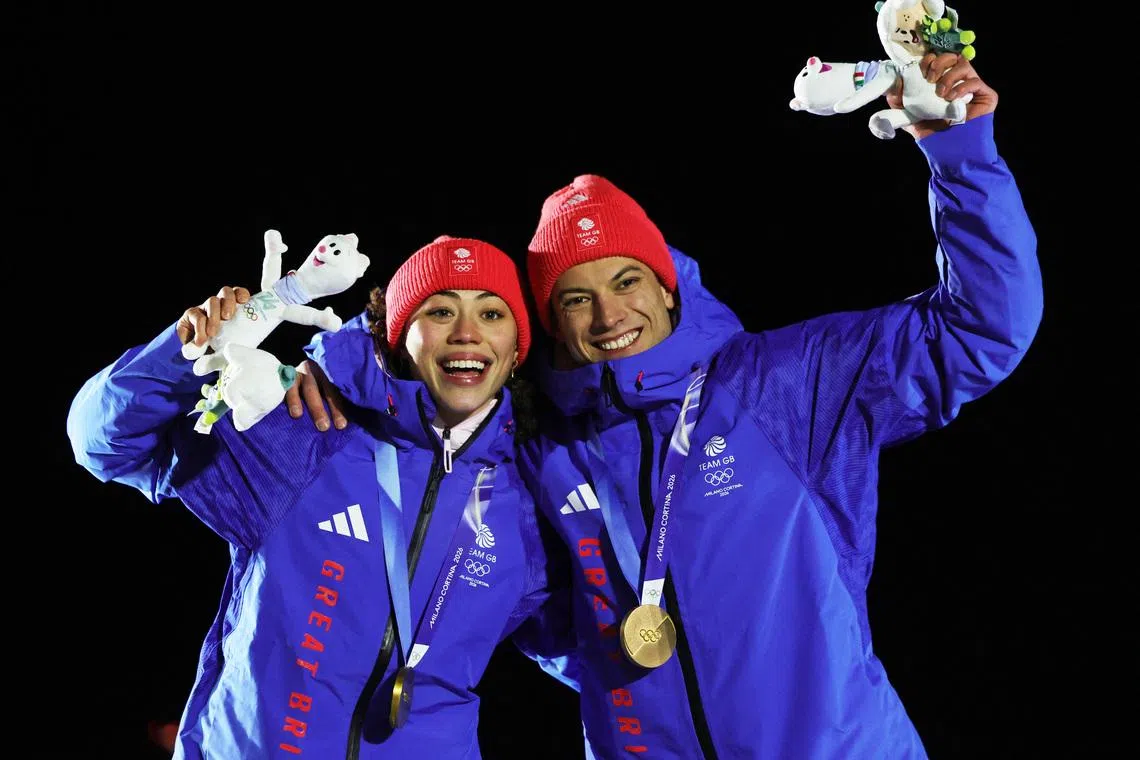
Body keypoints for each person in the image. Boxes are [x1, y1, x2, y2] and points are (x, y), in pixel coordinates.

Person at [287, 52, 1043, 757]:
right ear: (551, 324)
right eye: (575, 298)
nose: (608, 315)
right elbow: (518, 606)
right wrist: (340, 364)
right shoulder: (538, 450)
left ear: (667, 287)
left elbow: (980, 327)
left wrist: (959, 155)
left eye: (627, 282)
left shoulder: (784, 384)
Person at [67, 234, 564, 759]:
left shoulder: (529, 503)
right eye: (440, 311)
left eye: (492, 314)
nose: (467, 333)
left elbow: (588, 650)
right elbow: (104, 444)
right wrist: (191, 348)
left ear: (516, 351)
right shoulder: (311, 432)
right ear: (399, 337)